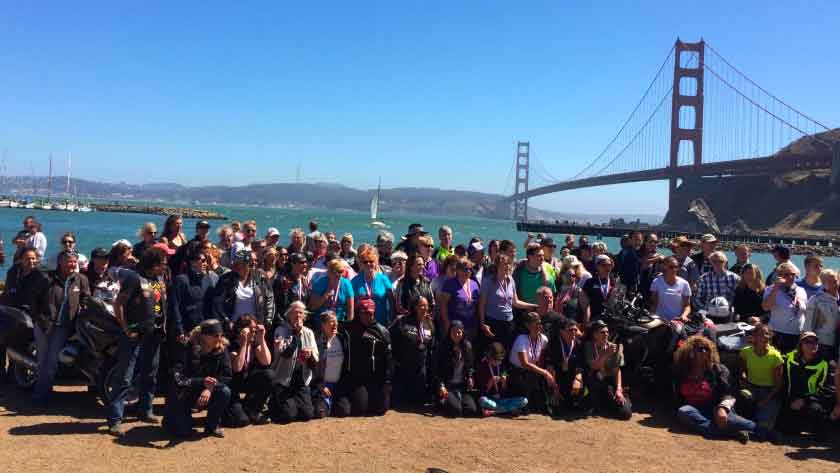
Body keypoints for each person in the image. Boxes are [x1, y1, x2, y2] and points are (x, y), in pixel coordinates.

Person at [107, 246, 169, 437]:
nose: (165, 266)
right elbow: (118, 304)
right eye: (162, 263)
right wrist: (125, 328)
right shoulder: (134, 278)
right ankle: (115, 419)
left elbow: (159, 304)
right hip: (134, 333)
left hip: (155, 332)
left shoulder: (159, 279)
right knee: (125, 376)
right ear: (153, 264)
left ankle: (145, 410)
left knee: (150, 374)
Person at [30, 250, 90, 405]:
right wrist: (40, 319)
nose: (72, 264)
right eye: (69, 261)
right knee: (43, 360)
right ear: (60, 262)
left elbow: (86, 299)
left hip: (63, 327)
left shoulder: (81, 280)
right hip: (44, 324)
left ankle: (42, 395)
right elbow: (33, 300)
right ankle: (41, 395)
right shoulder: (47, 278)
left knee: (50, 362)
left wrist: (82, 311)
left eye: (74, 261)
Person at [673, 335, 759, 443]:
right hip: (696, 410)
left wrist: (722, 409)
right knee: (684, 411)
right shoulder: (682, 369)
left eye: (707, 349)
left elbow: (730, 392)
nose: (704, 352)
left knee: (747, 425)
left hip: (716, 408)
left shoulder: (719, 370)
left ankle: (769, 434)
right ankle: (732, 433)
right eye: (700, 349)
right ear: (690, 351)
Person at [163, 319, 232, 438]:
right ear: (204, 336)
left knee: (224, 392)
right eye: (215, 335)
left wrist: (209, 388)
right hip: (185, 391)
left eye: (221, 335)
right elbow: (178, 378)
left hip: (207, 390)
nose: (219, 338)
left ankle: (212, 426)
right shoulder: (187, 348)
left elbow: (226, 375)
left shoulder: (222, 348)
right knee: (182, 432)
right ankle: (171, 419)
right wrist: (201, 382)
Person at [342, 299, 393, 416]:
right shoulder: (349, 328)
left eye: (371, 313)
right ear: (358, 313)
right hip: (356, 378)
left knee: (381, 410)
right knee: (360, 409)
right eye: (365, 313)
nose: (369, 316)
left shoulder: (382, 331)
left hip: (376, 377)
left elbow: (388, 359)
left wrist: (387, 381)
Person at [270, 301, 318, 423]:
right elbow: (285, 353)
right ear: (289, 315)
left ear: (305, 316)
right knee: (289, 415)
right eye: (295, 313)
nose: (298, 316)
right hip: (284, 381)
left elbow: (315, 361)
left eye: (301, 313)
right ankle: (274, 403)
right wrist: (295, 334)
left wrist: (310, 356)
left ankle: (294, 403)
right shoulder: (280, 331)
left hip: (301, 380)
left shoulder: (309, 333)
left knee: (307, 414)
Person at [168, 248, 218, 364]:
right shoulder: (181, 280)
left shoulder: (206, 280)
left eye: (206, 261)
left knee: (198, 361)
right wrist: (179, 330)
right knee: (181, 362)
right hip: (185, 329)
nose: (205, 263)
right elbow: (175, 306)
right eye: (203, 260)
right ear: (193, 262)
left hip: (201, 329)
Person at [777, 331, 831, 438]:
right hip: (789, 399)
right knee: (785, 430)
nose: (812, 345)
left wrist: (804, 399)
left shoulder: (823, 364)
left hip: (810, 400)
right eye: (808, 342)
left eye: (815, 342)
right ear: (800, 345)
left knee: (817, 411)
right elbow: (775, 358)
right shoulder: (789, 358)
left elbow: (825, 389)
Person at [478, 255, 537, 350]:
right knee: (494, 351)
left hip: (509, 323)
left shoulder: (511, 280)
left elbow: (515, 302)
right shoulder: (488, 281)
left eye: (509, 264)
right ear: (497, 266)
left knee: (507, 350)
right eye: (505, 264)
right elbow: (482, 304)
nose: (508, 266)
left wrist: (534, 306)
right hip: (493, 322)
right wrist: (483, 323)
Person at [227, 315, 274, 427]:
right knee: (242, 421)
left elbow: (267, 362)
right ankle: (230, 410)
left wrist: (262, 338)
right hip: (233, 385)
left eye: (255, 329)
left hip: (248, 381)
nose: (254, 331)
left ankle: (252, 408)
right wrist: (243, 344)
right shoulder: (232, 344)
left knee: (269, 375)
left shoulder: (254, 342)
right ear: (241, 330)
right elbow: (237, 368)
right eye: (251, 329)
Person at [210, 249, 275, 330]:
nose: (236, 266)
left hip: (256, 326)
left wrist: (268, 320)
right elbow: (217, 303)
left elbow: (269, 298)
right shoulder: (226, 279)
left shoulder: (260, 277)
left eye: (240, 263)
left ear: (248, 264)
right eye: (235, 263)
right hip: (234, 326)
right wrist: (226, 320)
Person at [390, 296, 435, 406]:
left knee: (418, 403)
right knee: (398, 402)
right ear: (415, 307)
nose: (425, 308)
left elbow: (431, 348)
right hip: (402, 368)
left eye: (427, 306)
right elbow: (389, 338)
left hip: (420, 370)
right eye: (422, 306)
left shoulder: (430, 324)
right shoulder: (401, 321)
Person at [738, 324, 783, 433]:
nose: (764, 337)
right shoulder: (745, 352)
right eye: (760, 334)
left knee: (764, 425)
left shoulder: (775, 357)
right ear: (754, 337)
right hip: (751, 388)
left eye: (766, 334)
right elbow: (742, 371)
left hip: (769, 392)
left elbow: (778, 385)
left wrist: (765, 401)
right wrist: (744, 382)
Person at [584, 320, 632, 420]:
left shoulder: (615, 347)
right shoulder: (589, 346)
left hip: (610, 382)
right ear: (595, 335)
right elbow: (594, 366)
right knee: (595, 376)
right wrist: (605, 354)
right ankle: (597, 402)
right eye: (602, 332)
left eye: (607, 332)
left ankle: (611, 400)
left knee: (625, 413)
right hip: (596, 381)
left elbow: (617, 370)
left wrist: (619, 389)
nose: (606, 334)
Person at [508, 312, 553, 414]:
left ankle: (548, 404)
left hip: (533, 370)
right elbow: (525, 363)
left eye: (539, 323)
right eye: (535, 323)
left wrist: (549, 370)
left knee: (545, 378)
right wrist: (545, 373)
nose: (539, 325)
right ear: (527, 325)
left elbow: (543, 358)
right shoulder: (521, 339)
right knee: (533, 378)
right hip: (518, 372)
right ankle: (523, 404)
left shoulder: (543, 339)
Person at [312, 311, 351, 418]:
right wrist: (320, 385)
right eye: (331, 322)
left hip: (338, 384)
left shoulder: (343, 339)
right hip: (321, 384)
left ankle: (333, 403)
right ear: (323, 325)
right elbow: (311, 367)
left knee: (344, 411)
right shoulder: (316, 341)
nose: (335, 325)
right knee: (319, 413)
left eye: (336, 322)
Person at [434, 320, 477, 417]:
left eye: (459, 332)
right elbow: (437, 369)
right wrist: (441, 385)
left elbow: (470, 366)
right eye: (453, 332)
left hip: (462, 386)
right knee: (456, 411)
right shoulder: (442, 347)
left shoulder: (467, 347)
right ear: (449, 332)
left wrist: (470, 377)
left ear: (463, 333)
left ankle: (456, 399)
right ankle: (442, 401)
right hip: (447, 386)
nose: (456, 334)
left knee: (471, 410)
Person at [762, 262, 807, 354]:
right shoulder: (771, 289)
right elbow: (766, 307)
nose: (790, 277)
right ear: (779, 276)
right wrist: (776, 287)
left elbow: (804, 312)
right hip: (778, 334)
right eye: (786, 275)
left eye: (793, 274)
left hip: (797, 334)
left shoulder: (801, 291)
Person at [476, 342, 528, 416]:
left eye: (500, 360)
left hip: (502, 400)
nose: (498, 362)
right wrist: (490, 383)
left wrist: (504, 383)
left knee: (524, 401)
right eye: (496, 359)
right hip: (490, 399)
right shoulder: (482, 367)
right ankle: (507, 410)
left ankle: (494, 412)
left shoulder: (502, 366)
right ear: (489, 357)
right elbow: (482, 392)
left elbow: (505, 391)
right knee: (482, 400)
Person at [546, 318, 585, 411]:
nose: (574, 332)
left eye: (575, 330)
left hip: (571, 376)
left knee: (571, 405)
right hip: (555, 377)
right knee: (557, 408)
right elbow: (549, 366)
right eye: (570, 330)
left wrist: (578, 379)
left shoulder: (578, 344)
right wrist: (554, 389)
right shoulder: (554, 343)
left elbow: (581, 364)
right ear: (561, 331)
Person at [351, 246, 395, 327]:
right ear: (361, 263)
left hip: (381, 324)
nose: (368, 264)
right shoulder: (354, 281)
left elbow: (392, 303)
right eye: (365, 262)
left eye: (371, 261)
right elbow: (350, 304)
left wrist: (391, 320)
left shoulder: (383, 279)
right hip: (360, 325)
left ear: (375, 262)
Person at [439, 260, 480, 341]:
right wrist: (447, 323)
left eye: (469, 269)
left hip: (471, 327)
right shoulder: (450, 284)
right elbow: (443, 305)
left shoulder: (474, 284)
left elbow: (477, 304)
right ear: (457, 270)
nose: (467, 271)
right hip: (455, 328)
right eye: (464, 269)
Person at [804, 269, 840, 361]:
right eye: (830, 282)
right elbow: (808, 327)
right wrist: (809, 346)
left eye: (835, 281)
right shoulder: (816, 300)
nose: (834, 284)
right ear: (823, 284)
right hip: (822, 344)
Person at [309, 259, 354, 328]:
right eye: (335, 272)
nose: (338, 275)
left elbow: (350, 311)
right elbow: (312, 307)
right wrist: (325, 295)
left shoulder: (346, 284)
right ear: (329, 272)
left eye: (341, 272)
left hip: (339, 322)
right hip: (321, 323)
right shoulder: (319, 283)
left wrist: (348, 326)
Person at [693, 251, 740, 318]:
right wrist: (707, 310)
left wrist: (732, 310)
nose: (718, 264)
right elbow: (697, 300)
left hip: (728, 314)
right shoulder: (703, 279)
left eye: (721, 261)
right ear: (711, 262)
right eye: (714, 261)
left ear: (725, 262)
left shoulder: (734, 278)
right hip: (708, 314)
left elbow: (739, 298)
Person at [648, 256, 692, 322]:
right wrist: (651, 316)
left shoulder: (684, 284)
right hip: (659, 319)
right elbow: (654, 303)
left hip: (677, 320)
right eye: (671, 267)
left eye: (676, 267)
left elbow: (687, 306)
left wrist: (684, 315)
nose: (674, 269)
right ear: (664, 267)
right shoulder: (656, 282)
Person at [579, 255, 617, 326]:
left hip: (611, 318)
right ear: (597, 266)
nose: (607, 268)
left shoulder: (614, 281)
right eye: (604, 265)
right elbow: (585, 305)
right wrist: (586, 323)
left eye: (609, 265)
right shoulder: (590, 282)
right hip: (595, 319)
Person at [274, 252, 311, 320]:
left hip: (302, 318)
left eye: (305, 262)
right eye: (301, 262)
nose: (305, 265)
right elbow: (279, 304)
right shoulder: (283, 280)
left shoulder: (305, 281)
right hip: (287, 320)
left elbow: (307, 302)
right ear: (293, 264)